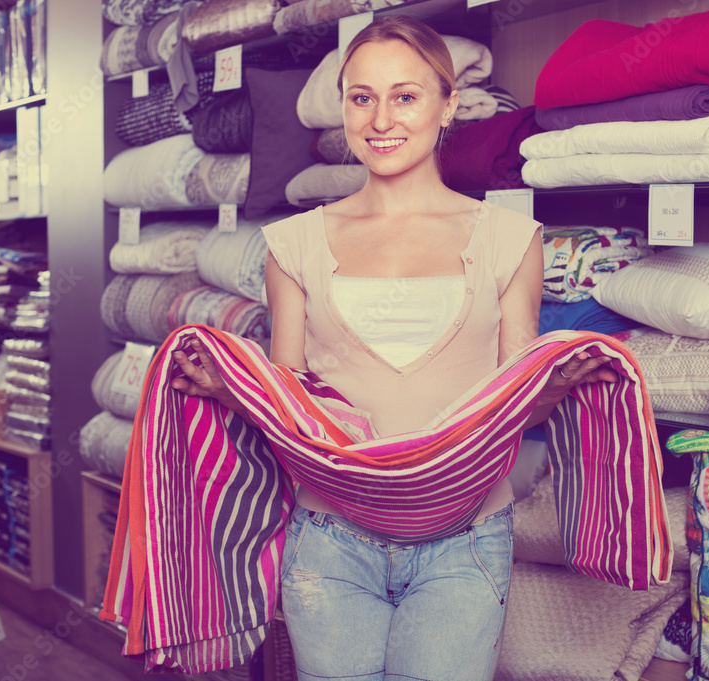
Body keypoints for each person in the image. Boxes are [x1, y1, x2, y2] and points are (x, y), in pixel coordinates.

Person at [168, 15, 618, 681]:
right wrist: (233, 387)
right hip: (328, 544)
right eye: (361, 97)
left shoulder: (508, 237)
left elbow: (508, 399)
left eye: (405, 96)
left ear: (448, 105)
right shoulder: (294, 243)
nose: (380, 119)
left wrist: (545, 393)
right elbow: (295, 402)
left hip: (463, 545)